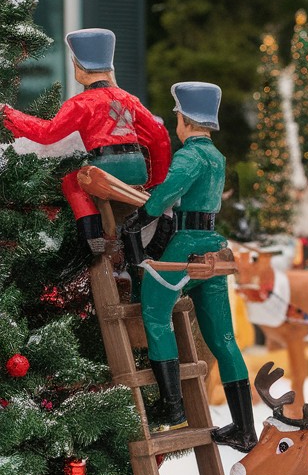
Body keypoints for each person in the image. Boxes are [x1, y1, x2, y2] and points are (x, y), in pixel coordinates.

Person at [124, 81, 256, 453]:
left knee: (153, 311)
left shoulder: (190, 155)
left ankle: (172, 406)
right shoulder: (217, 157)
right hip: (214, 248)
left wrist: (140, 217)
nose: (175, 122)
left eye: (176, 115)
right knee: (223, 339)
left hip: (186, 245)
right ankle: (245, 429)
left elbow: (167, 191)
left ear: (184, 119)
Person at [1, 28, 170, 255]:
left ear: (79, 66)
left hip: (106, 166)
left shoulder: (81, 103)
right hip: (138, 169)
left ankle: (92, 238)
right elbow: (159, 137)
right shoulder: (129, 99)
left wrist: (8, 115)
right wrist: (156, 182)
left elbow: (48, 134)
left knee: (73, 182)